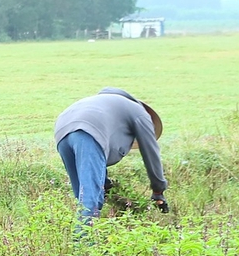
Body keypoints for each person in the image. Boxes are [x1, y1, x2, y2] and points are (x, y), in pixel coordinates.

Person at [54, 88, 166, 221]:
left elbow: (101, 150)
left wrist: (105, 184)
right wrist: (158, 190)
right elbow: (151, 153)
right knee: (90, 201)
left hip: (62, 131)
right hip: (88, 132)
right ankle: (83, 240)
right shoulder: (139, 112)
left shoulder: (105, 106)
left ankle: (85, 233)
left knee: (82, 196)